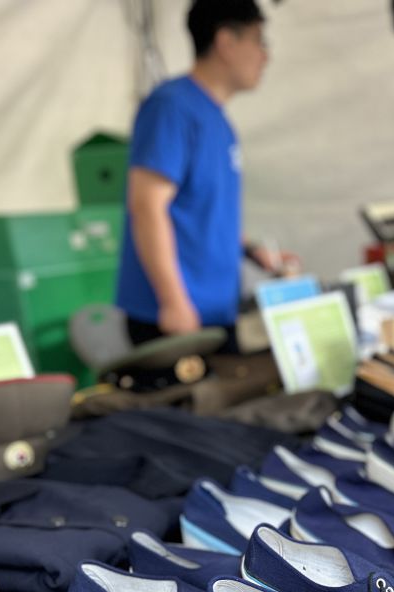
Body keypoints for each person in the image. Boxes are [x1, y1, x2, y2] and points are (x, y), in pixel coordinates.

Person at [116, 0, 297, 349]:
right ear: (226, 43)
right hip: (174, 319)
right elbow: (147, 206)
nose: (265, 55)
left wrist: (253, 251)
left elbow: (204, 210)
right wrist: (173, 302)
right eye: (259, 41)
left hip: (215, 310)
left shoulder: (218, 120)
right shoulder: (171, 107)